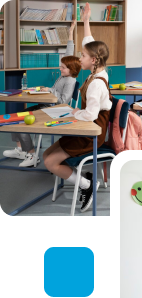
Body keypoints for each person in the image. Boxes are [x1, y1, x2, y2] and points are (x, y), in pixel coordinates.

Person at [42, 2, 112, 213]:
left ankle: (87, 184)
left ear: (92, 60)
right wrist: (86, 20)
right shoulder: (98, 71)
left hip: (91, 133)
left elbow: (90, 114)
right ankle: (84, 179)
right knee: (47, 154)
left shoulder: (96, 83)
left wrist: (74, 113)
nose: (79, 58)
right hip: (86, 128)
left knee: (51, 162)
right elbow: (91, 43)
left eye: (82, 55)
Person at [3, 20, 81, 167]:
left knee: (23, 120)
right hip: (46, 105)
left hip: (54, 110)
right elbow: (69, 53)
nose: (60, 69)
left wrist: (50, 90)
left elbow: (64, 101)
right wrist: (71, 32)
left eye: (63, 67)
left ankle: (32, 155)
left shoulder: (70, 80)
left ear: (71, 69)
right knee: (18, 115)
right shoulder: (66, 73)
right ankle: (21, 149)